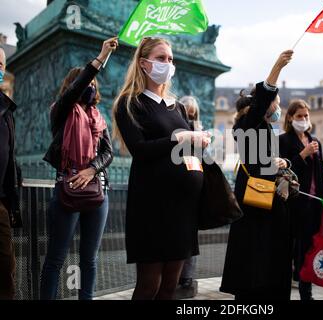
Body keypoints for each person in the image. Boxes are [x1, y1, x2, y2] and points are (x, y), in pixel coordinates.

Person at [113, 37, 211, 300]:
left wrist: (198, 142)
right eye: (161, 58)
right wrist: (178, 138)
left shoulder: (177, 106)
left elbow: (185, 150)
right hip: (152, 205)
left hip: (183, 208)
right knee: (149, 285)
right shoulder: (129, 103)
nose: (167, 63)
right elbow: (140, 150)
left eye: (170, 59)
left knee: (171, 285)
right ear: (144, 63)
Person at [40, 37, 117, 300]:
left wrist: (92, 169)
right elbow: (77, 88)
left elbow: (108, 152)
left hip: (97, 192)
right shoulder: (61, 111)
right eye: (86, 83)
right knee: (55, 259)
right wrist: (101, 57)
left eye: (94, 85)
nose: (90, 87)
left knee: (90, 260)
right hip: (67, 192)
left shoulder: (98, 117)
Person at [220, 50, 295, 300]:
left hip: (266, 204)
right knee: (255, 270)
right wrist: (276, 68)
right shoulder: (248, 124)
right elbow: (263, 97)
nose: (278, 107)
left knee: (266, 267)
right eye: (277, 101)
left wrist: (282, 162)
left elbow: (263, 162)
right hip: (256, 205)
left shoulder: (261, 127)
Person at [279, 99, 323, 300]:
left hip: (314, 204)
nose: (303, 119)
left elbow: (322, 172)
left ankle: (306, 294)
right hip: (294, 205)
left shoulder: (314, 140)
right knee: (296, 251)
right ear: (290, 117)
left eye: (306, 116)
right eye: (299, 116)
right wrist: (303, 154)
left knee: (309, 250)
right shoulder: (283, 140)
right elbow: (283, 172)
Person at [0, 47, 22, 300]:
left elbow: (9, 153)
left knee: (6, 269)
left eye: (1, 64)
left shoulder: (7, 110)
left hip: (1, 202)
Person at [177, 95, 201, 291]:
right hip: (176, 187)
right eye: (187, 114)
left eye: (193, 115)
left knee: (190, 236)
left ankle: (187, 276)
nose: (190, 119)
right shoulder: (174, 131)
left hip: (192, 190)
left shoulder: (198, 132)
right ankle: (176, 275)